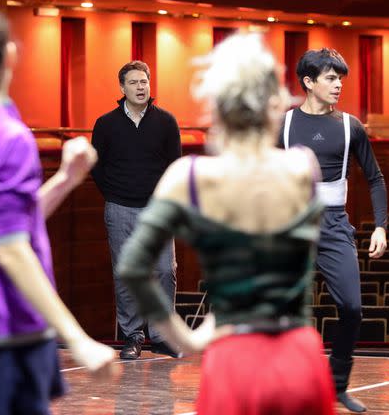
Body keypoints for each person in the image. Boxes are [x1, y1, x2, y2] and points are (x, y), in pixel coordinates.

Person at [117, 33, 335, 415]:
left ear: (215, 107)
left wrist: (187, 337)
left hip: (233, 356)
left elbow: (133, 266)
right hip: (299, 356)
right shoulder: (303, 167)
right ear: (276, 103)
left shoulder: (189, 176)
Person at [0, 2, 117, 415]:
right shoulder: (10, 137)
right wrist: (77, 337)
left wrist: (65, 180)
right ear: (10, 55)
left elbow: (4, 225)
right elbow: (11, 248)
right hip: (7, 331)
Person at [279, 47, 387, 413]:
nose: (339, 84)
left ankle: (337, 385)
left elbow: (375, 177)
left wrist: (381, 227)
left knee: (352, 308)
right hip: (291, 225)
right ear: (308, 82)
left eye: (340, 78)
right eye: (330, 77)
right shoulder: (284, 124)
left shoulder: (350, 126)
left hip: (335, 223)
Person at [91, 60, 182, 359]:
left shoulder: (166, 122)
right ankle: (132, 336)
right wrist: (115, 194)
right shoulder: (106, 124)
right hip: (119, 208)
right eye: (134, 82)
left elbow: (175, 167)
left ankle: (162, 336)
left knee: (164, 272)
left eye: (144, 82)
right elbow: (97, 167)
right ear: (122, 88)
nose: (141, 87)